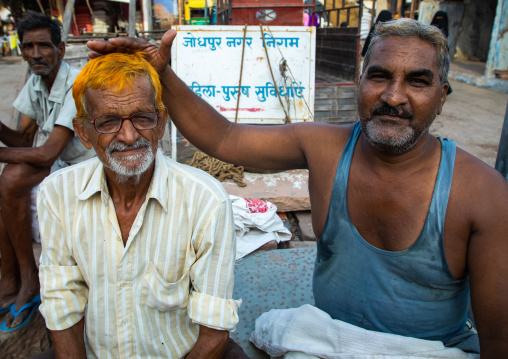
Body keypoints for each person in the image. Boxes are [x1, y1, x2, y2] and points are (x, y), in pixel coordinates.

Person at [87, 18, 508, 357]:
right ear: (360, 84)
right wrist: (162, 73)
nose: (394, 96)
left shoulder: (482, 194)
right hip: (324, 341)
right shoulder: (325, 147)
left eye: (417, 81)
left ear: (443, 96)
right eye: (379, 76)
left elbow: (499, 341)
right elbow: (225, 139)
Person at [36, 52, 245, 358]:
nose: (129, 135)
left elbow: (214, 330)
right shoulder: (57, 193)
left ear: (160, 124)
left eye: (143, 118)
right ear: (82, 132)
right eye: (107, 121)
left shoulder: (205, 199)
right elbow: (61, 302)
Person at [0, 12, 94, 332]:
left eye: (43, 46)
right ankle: (10, 277)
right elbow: (23, 139)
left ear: (61, 49)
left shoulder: (76, 83)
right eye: (28, 46)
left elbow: (46, 151)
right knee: (7, 188)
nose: (35, 54)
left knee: (12, 178)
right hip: (59, 165)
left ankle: (28, 280)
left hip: (86, 167)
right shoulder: (37, 79)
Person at [431, 10, 453, 94]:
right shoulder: (427, 35)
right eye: (438, 18)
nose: (439, 21)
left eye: (441, 19)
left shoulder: (445, 37)